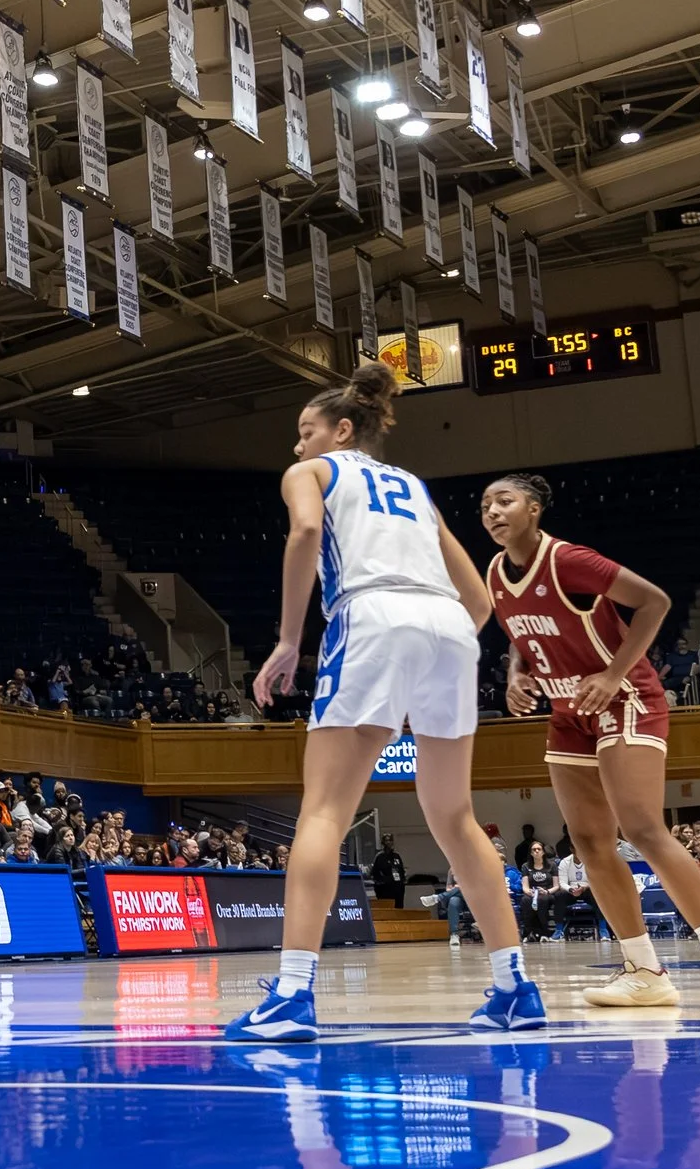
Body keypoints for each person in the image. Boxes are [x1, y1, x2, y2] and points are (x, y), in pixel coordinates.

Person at [227, 364, 539, 1044]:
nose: (297, 445)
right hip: (449, 627)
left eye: (305, 431)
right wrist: (431, 652)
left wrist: (289, 640)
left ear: (342, 430)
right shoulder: (414, 487)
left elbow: (304, 535)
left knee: (324, 810)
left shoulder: (311, 473)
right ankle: (515, 986)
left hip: (370, 614)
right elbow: (480, 599)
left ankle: (291, 994)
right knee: (455, 815)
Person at [480, 473, 700, 1011]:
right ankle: (643, 971)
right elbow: (522, 635)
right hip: (568, 712)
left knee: (642, 827)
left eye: (505, 501)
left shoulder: (569, 561)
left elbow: (654, 602)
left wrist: (613, 674)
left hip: (625, 698)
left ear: (534, 509)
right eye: (486, 504)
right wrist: (518, 673)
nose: (492, 511)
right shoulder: (495, 573)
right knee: (588, 842)